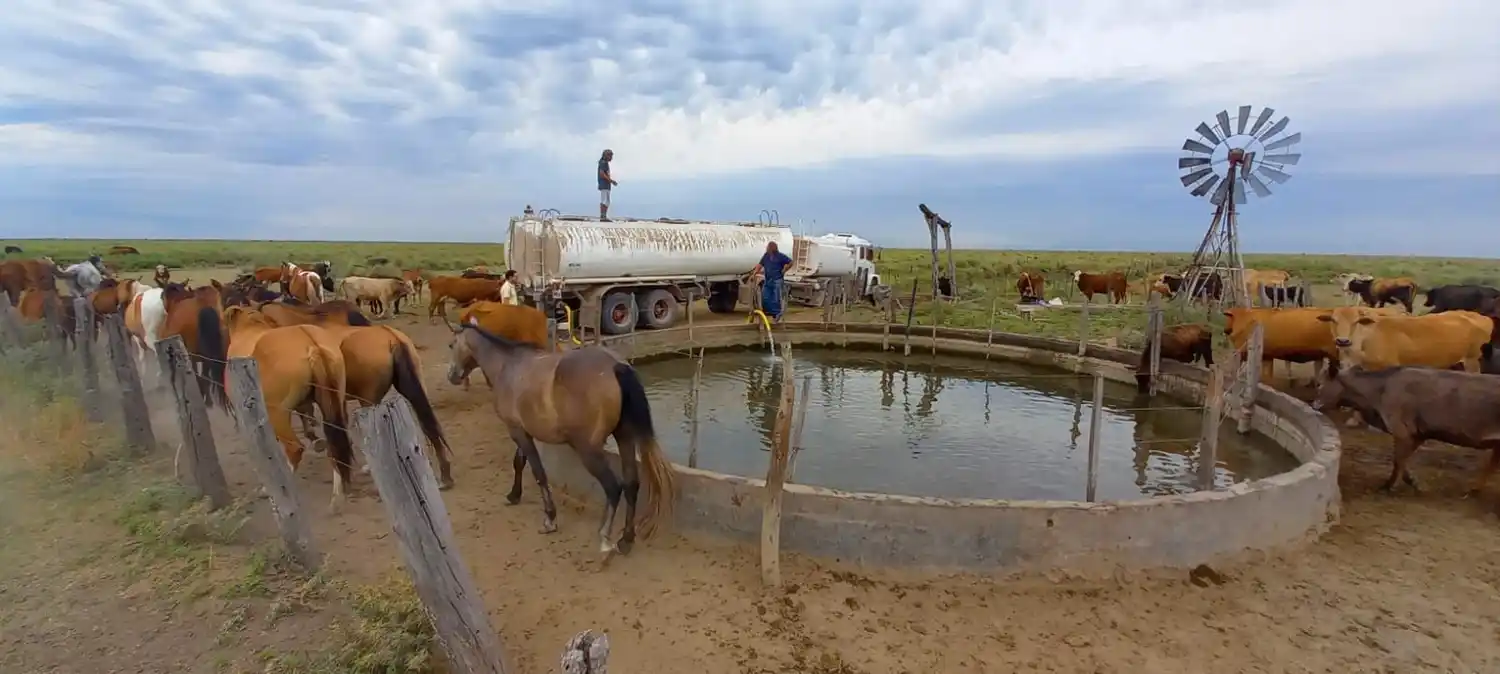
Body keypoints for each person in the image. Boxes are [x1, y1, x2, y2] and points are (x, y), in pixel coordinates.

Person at [749, 241, 793, 322]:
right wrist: (754, 273)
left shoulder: (780, 256)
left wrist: (785, 270)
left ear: (771, 248)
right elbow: (760, 265)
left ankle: (777, 314)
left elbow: (790, 262)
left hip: (777, 280)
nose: (767, 248)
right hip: (768, 280)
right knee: (765, 297)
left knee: (776, 299)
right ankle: (774, 313)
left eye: (768, 247)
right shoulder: (766, 256)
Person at [597, 149, 617, 221]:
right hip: (604, 184)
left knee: (607, 201)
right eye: (610, 156)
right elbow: (602, 174)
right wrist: (611, 181)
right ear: (606, 156)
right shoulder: (603, 163)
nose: (611, 158)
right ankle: (603, 216)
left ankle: (604, 216)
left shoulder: (605, 163)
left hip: (606, 184)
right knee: (604, 200)